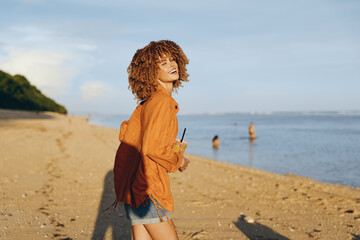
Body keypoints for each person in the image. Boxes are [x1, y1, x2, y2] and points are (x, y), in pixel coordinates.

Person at [113, 40, 190, 240]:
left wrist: (170, 147)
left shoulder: (147, 103)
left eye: (173, 60)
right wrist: (178, 160)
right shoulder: (163, 102)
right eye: (163, 63)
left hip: (134, 187)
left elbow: (141, 140)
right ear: (150, 71)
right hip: (149, 189)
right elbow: (153, 148)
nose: (172, 65)